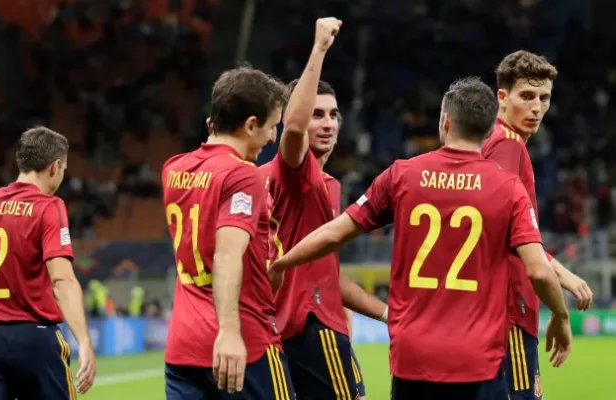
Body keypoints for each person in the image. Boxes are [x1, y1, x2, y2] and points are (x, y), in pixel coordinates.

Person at [270, 77, 572, 400]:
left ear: (446, 122)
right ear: (488, 133)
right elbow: (538, 271)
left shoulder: (402, 174)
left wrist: (282, 263)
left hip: (413, 357)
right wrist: (561, 317)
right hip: (477, 359)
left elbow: (334, 233)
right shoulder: (509, 188)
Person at [261, 17, 383, 400]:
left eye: (333, 114)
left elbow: (325, 274)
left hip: (281, 327)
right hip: (310, 323)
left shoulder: (321, 183)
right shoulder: (295, 170)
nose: (328, 123)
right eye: (317, 114)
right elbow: (294, 130)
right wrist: (319, 49)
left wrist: (386, 314)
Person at [162, 65, 296, 400]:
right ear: (250, 125)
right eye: (272, 126)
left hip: (183, 347)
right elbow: (226, 254)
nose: (273, 137)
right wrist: (229, 332)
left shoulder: (173, 169)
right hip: (242, 343)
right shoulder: (243, 175)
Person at [482, 50, 593, 400]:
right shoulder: (508, 145)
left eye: (544, 98)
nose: (536, 107)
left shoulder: (493, 140)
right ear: (502, 97)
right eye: (527, 96)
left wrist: (561, 273)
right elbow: (510, 237)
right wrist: (561, 307)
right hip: (510, 308)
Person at [0, 127, 95, 399]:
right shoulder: (49, 207)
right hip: (34, 339)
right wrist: (85, 342)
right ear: (55, 167)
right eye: (64, 170)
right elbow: (62, 280)